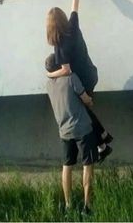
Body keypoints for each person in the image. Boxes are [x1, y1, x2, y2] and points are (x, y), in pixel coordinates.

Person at [46, 0, 113, 160]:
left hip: (81, 80)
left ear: (50, 27)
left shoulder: (60, 45)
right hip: (91, 73)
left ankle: (101, 144)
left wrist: (50, 75)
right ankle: (103, 140)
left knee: (82, 114)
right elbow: (75, 3)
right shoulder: (73, 25)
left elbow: (65, 70)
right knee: (83, 111)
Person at [45, 54, 98, 216]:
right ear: (60, 66)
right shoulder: (71, 78)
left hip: (64, 131)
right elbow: (85, 99)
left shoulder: (48, 84)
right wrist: (90, 101)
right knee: (87, 165)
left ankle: (68, 205)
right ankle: (87, 207)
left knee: (67, 166)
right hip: (82, 128)